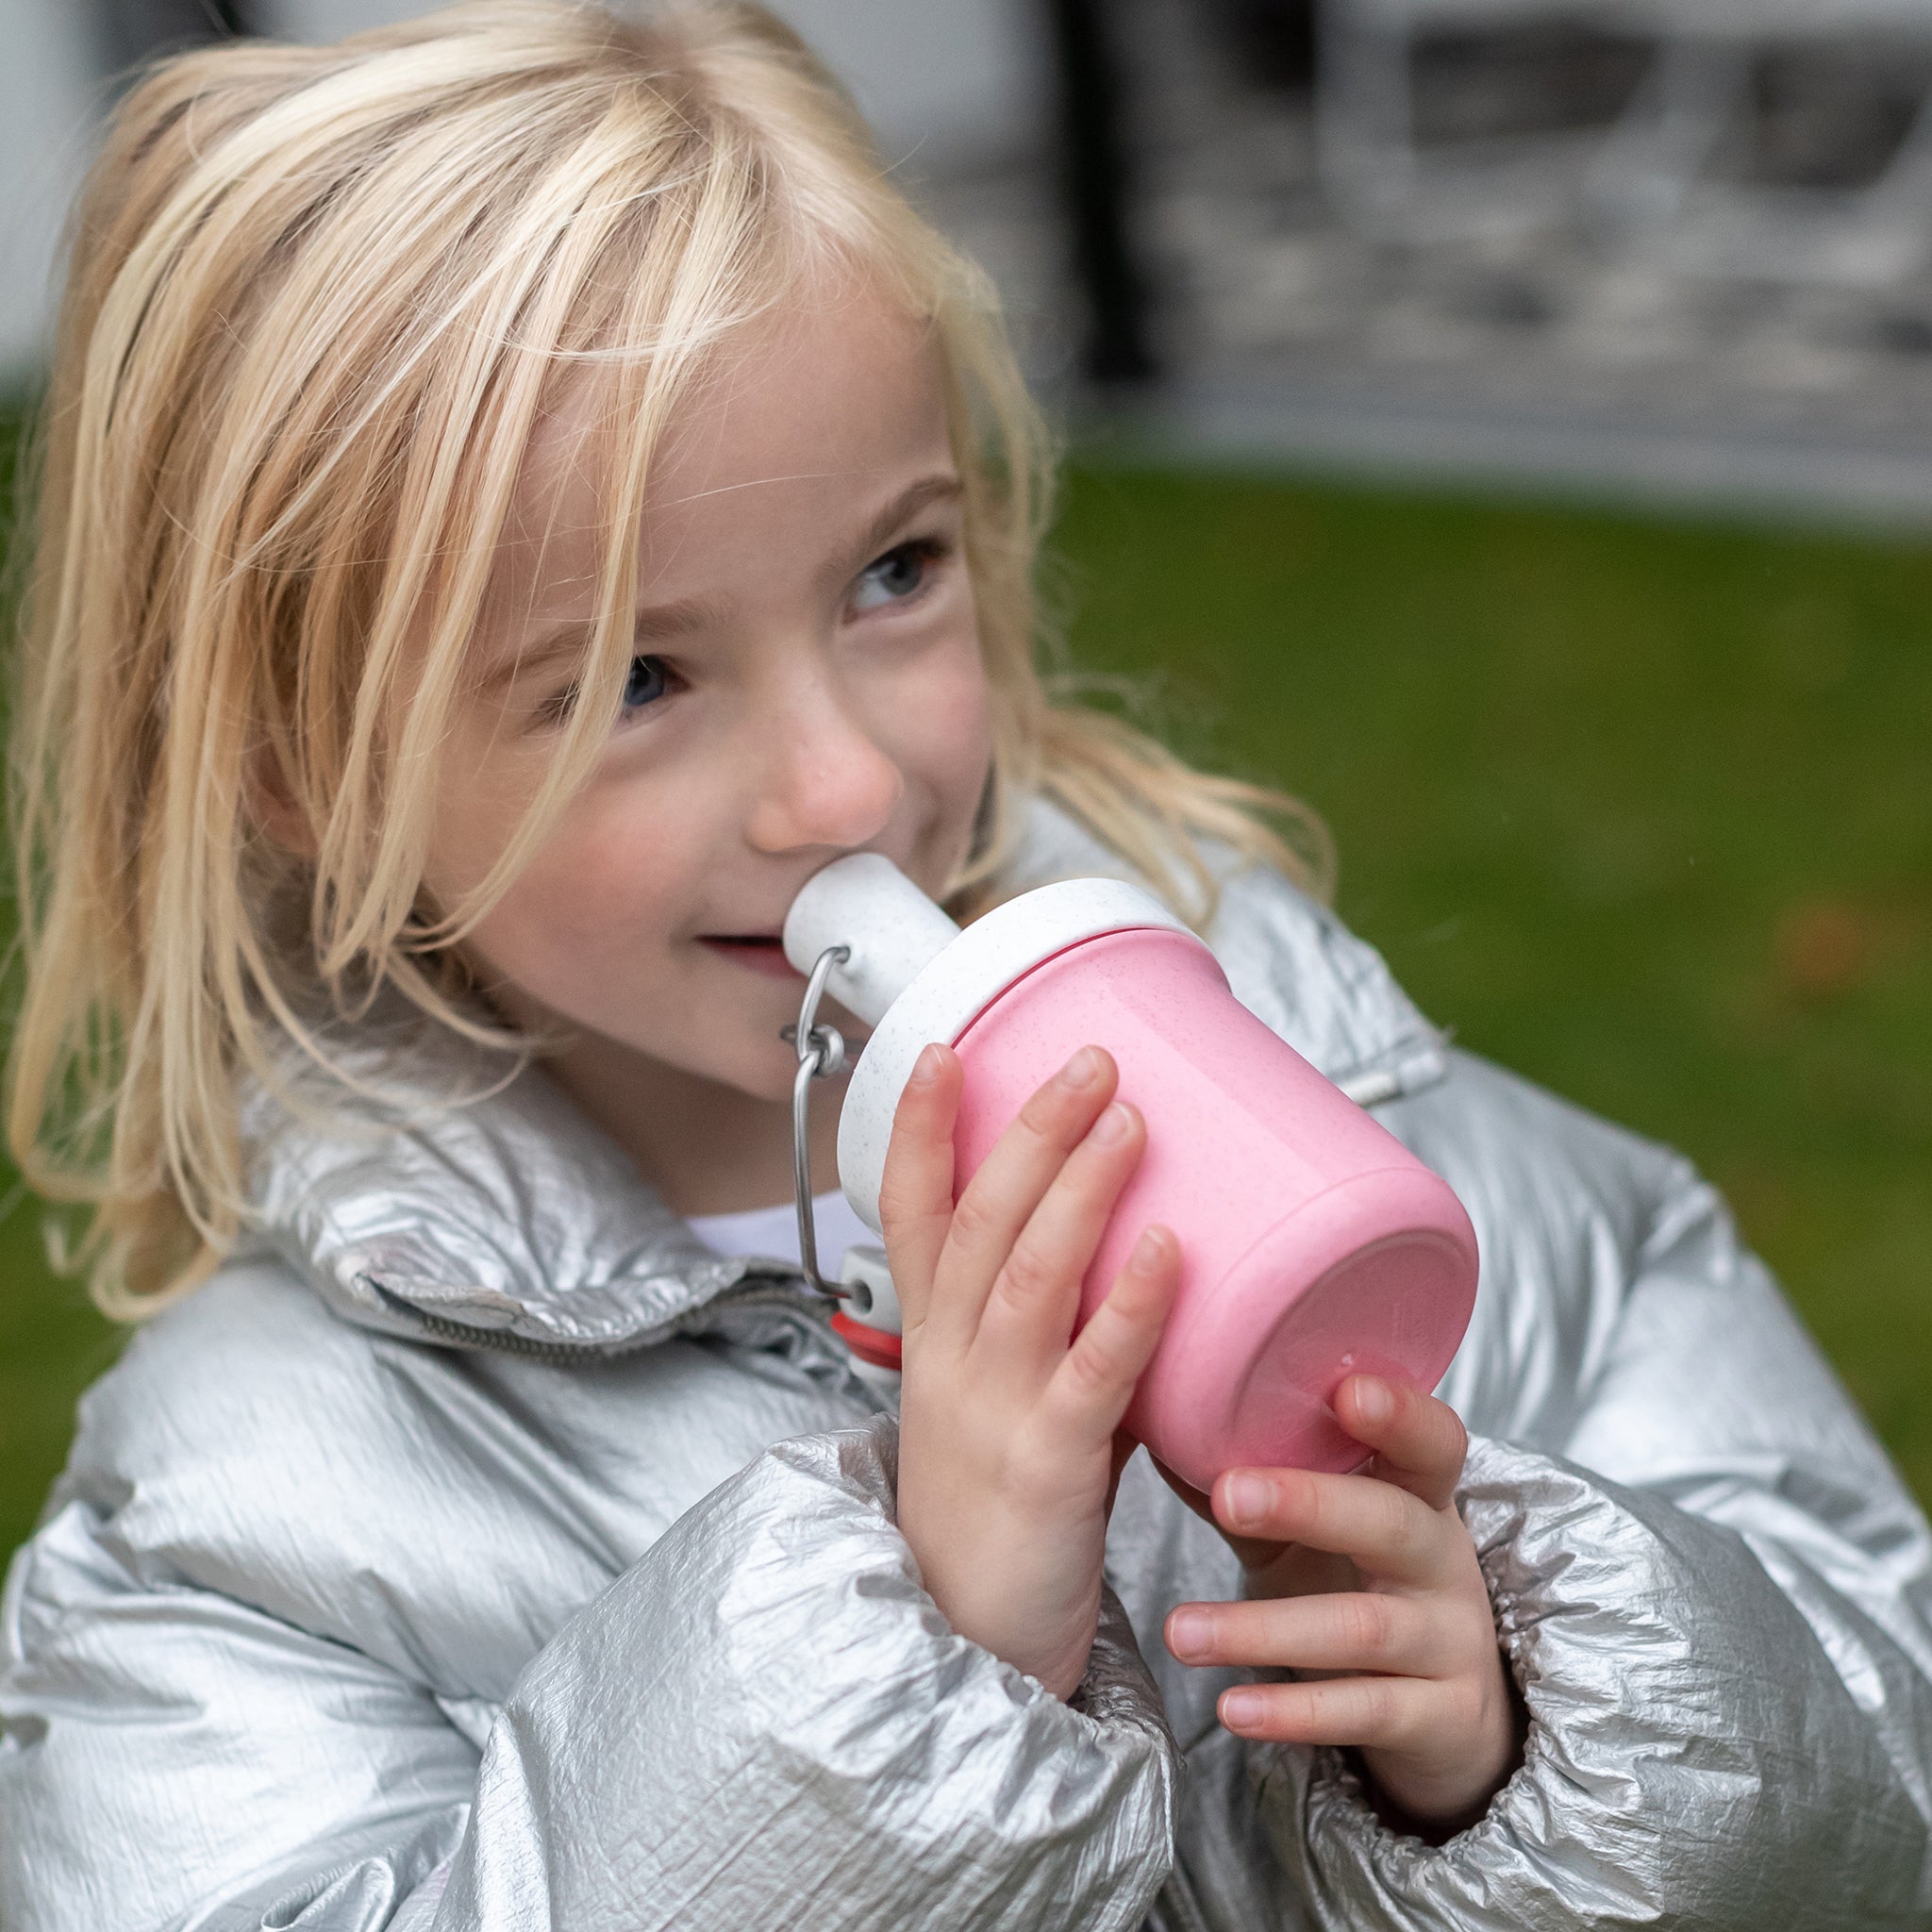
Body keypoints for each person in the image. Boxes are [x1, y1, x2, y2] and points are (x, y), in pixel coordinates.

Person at [1, 6, 1928, 1927]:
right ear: (300, 773)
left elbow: (1878, 1743)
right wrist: (914, 1682)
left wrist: (1529, 1734)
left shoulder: (1354, 1114)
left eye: (892, 573)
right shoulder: (248, 1528)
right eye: (635, 679)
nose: (844, 780)